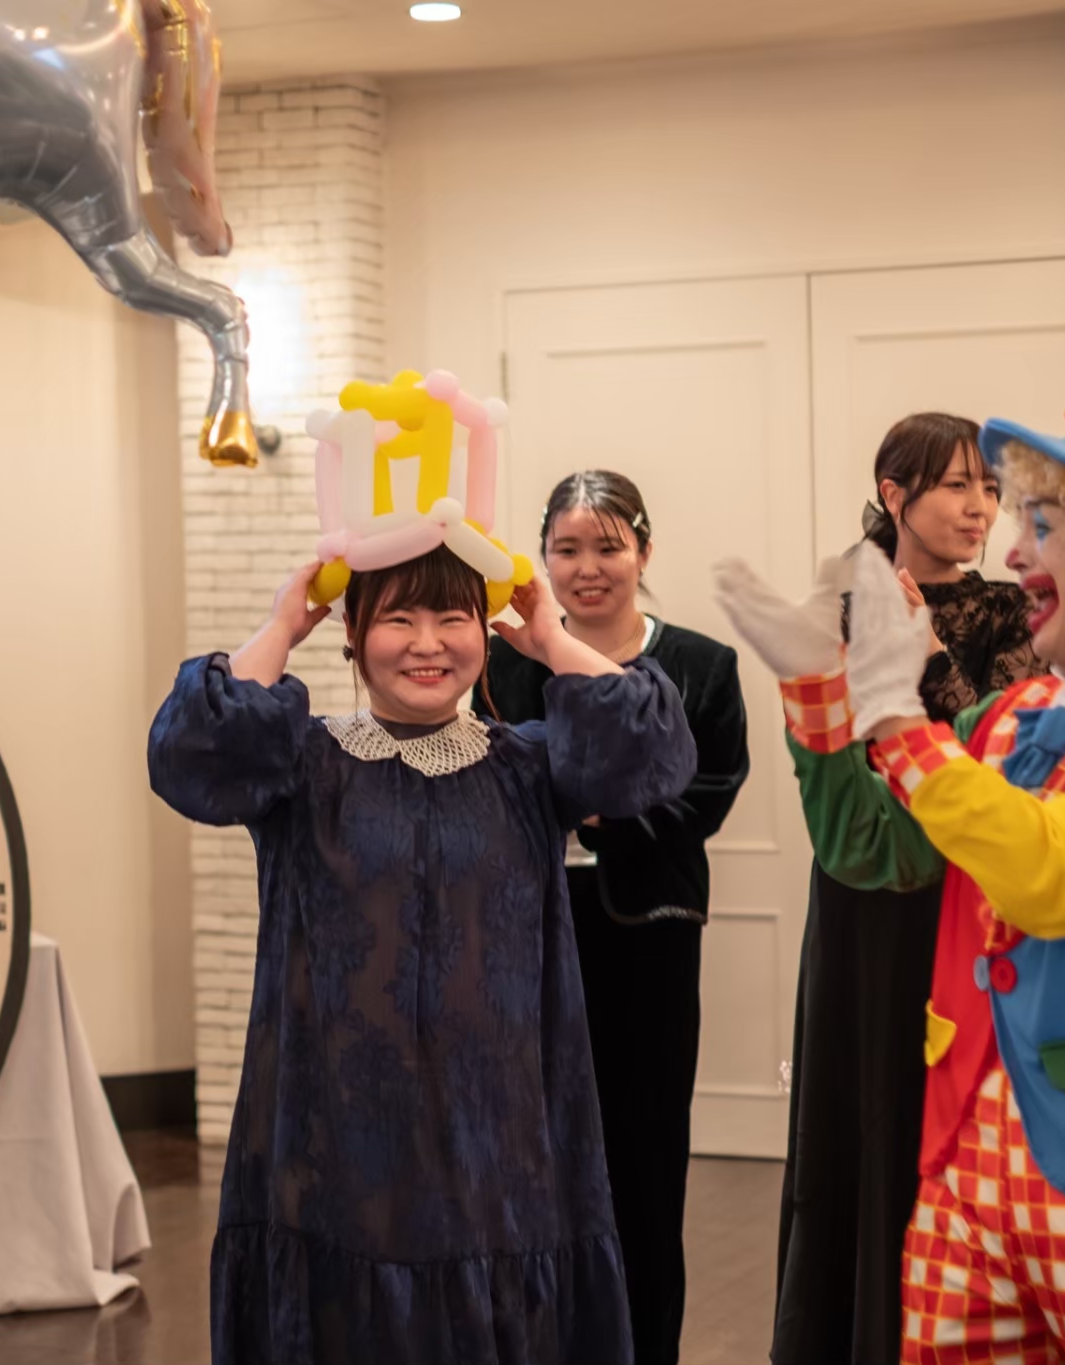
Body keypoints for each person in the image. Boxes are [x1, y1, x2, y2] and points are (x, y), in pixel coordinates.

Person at [721, 389, 1065, 1362]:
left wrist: (896, 717)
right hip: (969, 1178)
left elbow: (1049, 874)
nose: (1013, 552)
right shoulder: (1015, 717)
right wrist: (817, 692)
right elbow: (871, 849)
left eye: (1044, 525)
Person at [148, 546, 698, 1365]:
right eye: (399, 617)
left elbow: (654, 747)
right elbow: (190, 748)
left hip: (499, 1166)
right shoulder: (302, 767)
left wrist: (550, 637)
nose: (427, 643)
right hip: (334, 1163)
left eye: (452, 616)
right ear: (353, 629)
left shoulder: (531, 766)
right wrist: (283, 624)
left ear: (485, 627)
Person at [750, 414, 1044, 1365]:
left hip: (969, 883)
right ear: (894, 494)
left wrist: (928, 660)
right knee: (857, 1111)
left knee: (947, 1115)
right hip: (862, 892)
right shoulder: (841, 603)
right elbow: (830, 754)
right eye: (957, 485)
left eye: (989, 488)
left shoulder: (1010, 610)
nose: (980, 507)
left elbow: (1006, 738)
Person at [475, 469, 747, 1365]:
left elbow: (707, 791)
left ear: (644, 551)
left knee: (644, 1159)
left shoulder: (701, 665)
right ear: (542, 558)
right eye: (566, 549)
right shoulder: (504, 660)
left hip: (648, 935)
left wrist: (596, 810)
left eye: (607, 547)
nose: (587, 567)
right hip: (528, 935)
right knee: (533, 1157)